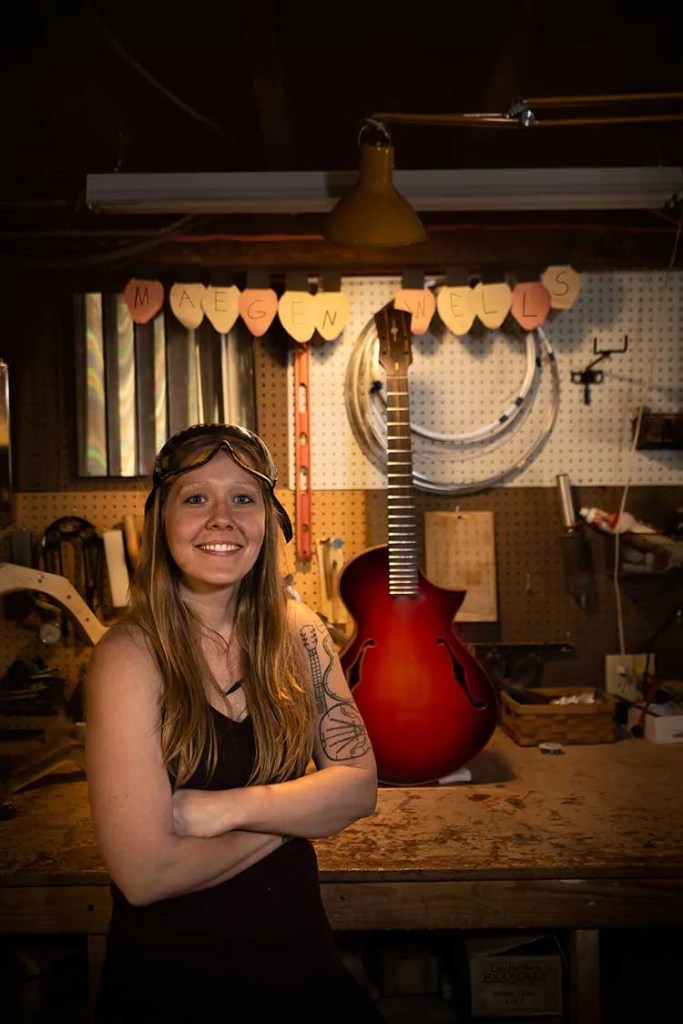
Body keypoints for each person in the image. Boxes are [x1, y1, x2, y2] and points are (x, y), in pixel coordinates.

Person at [85, 423, 386, 1023]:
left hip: (303, 970)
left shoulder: (300, 630)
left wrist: (221, 810)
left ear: (268, 522)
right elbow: (146, 874)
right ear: (160, 520)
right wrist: (297, 818)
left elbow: (359, 786)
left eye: (243, 498)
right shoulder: (127, 657)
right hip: (172, 987)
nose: (222, 519)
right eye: (196, 497)